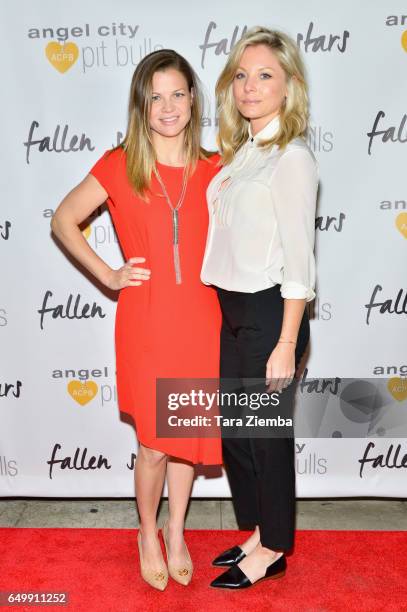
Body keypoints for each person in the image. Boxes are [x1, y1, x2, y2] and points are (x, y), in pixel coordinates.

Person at [50, 49, 222, 591]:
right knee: (153, 442)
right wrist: (107, 274)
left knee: (186, 436)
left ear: (193, 100)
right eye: (155, 97)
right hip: (148, 322)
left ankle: (176, 531)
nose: (168, 107)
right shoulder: (120, 165)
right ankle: (146, 531)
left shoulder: (218, 168)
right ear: (141, 106)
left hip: (203, 319)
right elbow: (63, 220)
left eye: (177, 94)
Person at [200, 27, 319, 589]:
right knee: (237, 434)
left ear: (289, 86)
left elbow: (300, 262)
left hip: (272, 314)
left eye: (265, 75)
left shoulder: (291, 159)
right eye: (242, 75)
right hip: (234, 313)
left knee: (266, 436)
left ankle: (273, 547)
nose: (250, 86)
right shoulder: (245, 152)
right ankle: (256, 528)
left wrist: (286, 343)